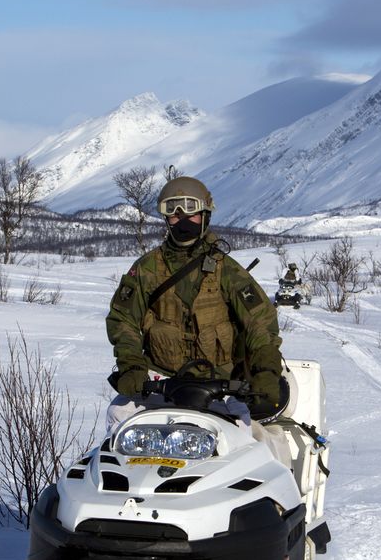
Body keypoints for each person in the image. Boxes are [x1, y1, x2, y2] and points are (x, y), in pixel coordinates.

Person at [105, 173, 283, 427]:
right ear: (166, 219)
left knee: (243, 433)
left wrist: (265, 371)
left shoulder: (226, 269)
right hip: (161, 382)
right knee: (119, 417)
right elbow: (123, 318)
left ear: (205, 215)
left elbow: (260, 322)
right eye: (175, 214)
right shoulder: (147, 268)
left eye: (191, 213)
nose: (183, 221)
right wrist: (131, 364)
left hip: (220, 383)